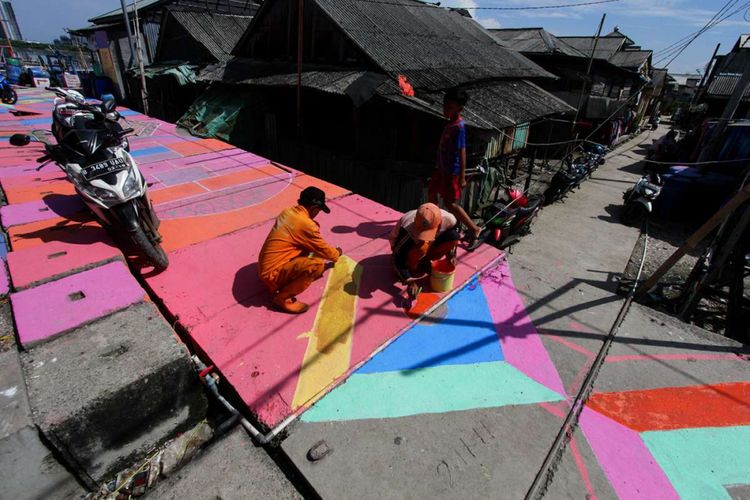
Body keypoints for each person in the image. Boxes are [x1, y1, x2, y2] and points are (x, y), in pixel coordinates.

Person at [258, 187, 342, 314]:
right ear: (314, 208)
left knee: (308, 247)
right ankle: (282, 298)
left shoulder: (287, 212)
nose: (318, 213)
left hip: (264, 268)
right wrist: (337, 253)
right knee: (316, 265)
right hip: (272, 275)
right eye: (319, 210)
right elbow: (325, 250)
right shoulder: (307, 225)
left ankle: (283, 280)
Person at [428, 87, 482, 248]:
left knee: (450, 203)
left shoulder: (459, 127)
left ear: (460, 108)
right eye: (445, 106)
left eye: (449, 107)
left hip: (452, 172)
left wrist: (463, 177)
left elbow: (462, 152)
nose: (445, 110)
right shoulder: (450, 124)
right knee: (431, 192)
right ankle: (435, 223)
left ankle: (474, 228)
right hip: (441, 169)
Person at [389, 203, 460, 297]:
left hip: (428, 245)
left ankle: (423, 261)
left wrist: (452, 255)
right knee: (421, 248)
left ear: (439, 223)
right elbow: (396, 257)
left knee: (454, 237)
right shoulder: (407, 229)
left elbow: (452, 237)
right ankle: (414, 264)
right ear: (415, 221)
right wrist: (408, 280)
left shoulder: (450, 220)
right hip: (404, 247)